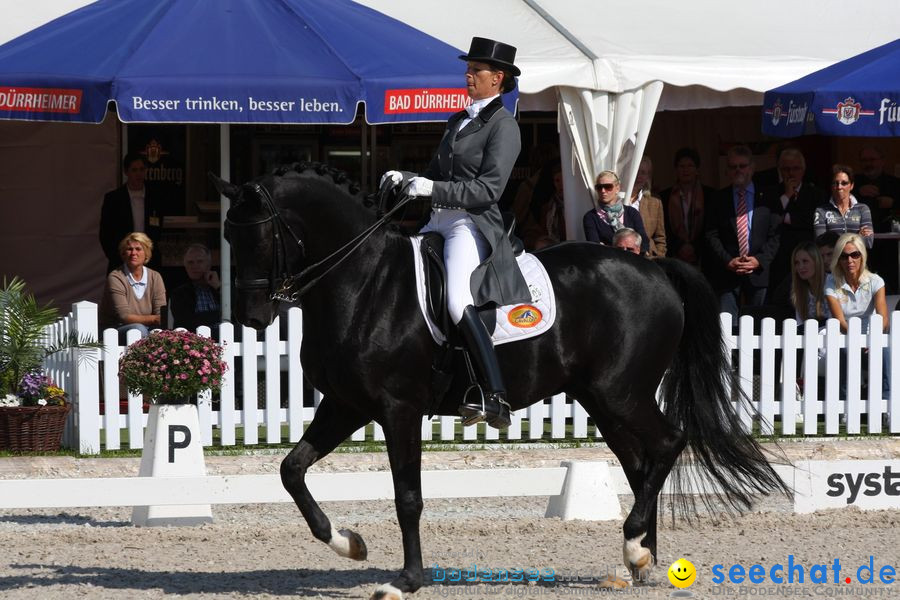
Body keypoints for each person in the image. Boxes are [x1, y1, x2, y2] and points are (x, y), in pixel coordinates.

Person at [379, 37, 529, 429]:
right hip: (438, 219)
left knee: (457, 299)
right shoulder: (457, 120)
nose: (468, 75)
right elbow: (435, 172)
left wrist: (432, 189)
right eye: (468, 69)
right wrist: (408, 178)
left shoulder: (504, 126)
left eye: (476, 71)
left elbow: (488, 190)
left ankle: (494, 394)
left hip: (471, 223)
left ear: (497, 79)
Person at [704, 145, 780, 320]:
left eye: (742, 165)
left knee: (759, 327)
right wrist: (727, 260)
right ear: (727, 171)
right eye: (733, 166)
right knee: (726, 324)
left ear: (752, 168)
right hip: (728, 273)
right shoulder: (718, 198)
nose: (738, 170)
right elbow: (711, 235)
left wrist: (759, 260)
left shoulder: (768, 197)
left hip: (758, 273)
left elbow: (775, 234)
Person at [824, 233, 890, 397]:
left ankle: (887, 402)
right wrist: (857, 340)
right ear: (838, 259)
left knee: (885, 350)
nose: (850, 261)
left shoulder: (876, 281)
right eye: (844, 256)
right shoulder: (831, 282)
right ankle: (845, 404)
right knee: (845, 351)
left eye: (855, 255)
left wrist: (872, 338)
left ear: (862, 256)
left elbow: (883, 316)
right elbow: (839, 320)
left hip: (871, 334)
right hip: (844, 334)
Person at [763, 148, 818, 299]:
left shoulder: (815, 193)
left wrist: (787, 219)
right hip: (778, 256)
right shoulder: (771, 192)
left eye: (795, 168)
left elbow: (812, 221)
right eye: (786, 169)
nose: (791, 173)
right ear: (780, 170)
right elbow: (770, 221)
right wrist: (787, 194)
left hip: (805, 253)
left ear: (803, 170)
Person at [99, 153, 167, 274]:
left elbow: (158, 228)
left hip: (150, 260)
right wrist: (117, 256)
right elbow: (105, 234)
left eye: (142, 169)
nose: (139, 174)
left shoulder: (156, 196)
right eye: (134, 170)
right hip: (121, 260)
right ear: (126, 172)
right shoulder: (113, 199)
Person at [99, 232, 166, 340]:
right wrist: (154, 319)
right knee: (138, 329)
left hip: (146, 328)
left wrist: (157, 320)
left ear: (146, 253)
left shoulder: (155, 277)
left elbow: (161, 312)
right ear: (123, 254)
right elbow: (124, 316)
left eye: (138, 249)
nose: (133, 253)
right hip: (113, 330)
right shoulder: (116, 277)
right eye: (129, 249)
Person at [659, 147, 713, 266]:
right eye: (681, 166)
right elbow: (663, 227)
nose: (685, 170)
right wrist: (679, 247)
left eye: (690, 166)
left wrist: (695, 248)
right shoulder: (664, 197)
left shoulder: (710, 195)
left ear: (697, 170)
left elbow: (711, 227)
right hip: (674, 255)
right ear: (676, 170)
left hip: (703, 256)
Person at [583, 170, 650, 254]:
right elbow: (595, 248)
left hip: (634, 261)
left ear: (617, 188)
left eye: (608, 187)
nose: (603, 191)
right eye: (599, 187)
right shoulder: (591, 217)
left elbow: (643, 241)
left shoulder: (631, 212)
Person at [814, 165, 874, 249]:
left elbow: (868, 242)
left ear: (852, 185)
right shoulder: (821, 211)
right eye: (835, 183)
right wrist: (857, 236)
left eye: (844, 183)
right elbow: (820, 243)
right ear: (831, 186)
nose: (839, 187)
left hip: (855, 260)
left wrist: (833, 240)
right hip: (832, 261)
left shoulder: (863, 209)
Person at [169, 243, 221, 332]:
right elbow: (186, 322)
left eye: (200, 261)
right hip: (195, 342)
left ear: (209, 264)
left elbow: (235, 313)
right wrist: (219, 316)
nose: (195, 266)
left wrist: (219, 287)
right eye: (190, 262)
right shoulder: (180, 293)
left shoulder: (225, 288)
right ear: (185, 267)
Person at [520, 160, 565, 249]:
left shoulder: (573, 206)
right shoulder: (548, 207)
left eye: (563, 180)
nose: (561, 185)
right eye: (557, 180)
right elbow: (545, 231)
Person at [628, 157, 666, 257]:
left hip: (648, 258)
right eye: (636, 171)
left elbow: (660, 238)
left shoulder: (655, 201)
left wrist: (659, 258)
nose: (639, 176)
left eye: (644, 173)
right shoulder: (618, 197)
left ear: (648, 176)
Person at [855, 146, 900, 231]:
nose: (868, 164)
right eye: (864, 160)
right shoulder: (852, 183)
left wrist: (893, 203)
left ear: (882, 161)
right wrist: (858, 192)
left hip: (887, 236)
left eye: (872, 160)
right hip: (859, 235)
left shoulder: (895, 183)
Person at [790, 241, 830, 323]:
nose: (801, 267)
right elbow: (800, 323)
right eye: (797, 263)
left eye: (805, 261)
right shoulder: (799, 291)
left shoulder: (832, 283)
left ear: (816, 262)